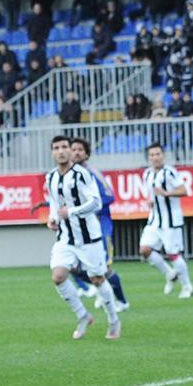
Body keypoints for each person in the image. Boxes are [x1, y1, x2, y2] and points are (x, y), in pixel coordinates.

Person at [44, 135, 121, 340]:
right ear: (52, 152)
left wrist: (71, 212)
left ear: (70, 150)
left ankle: (113, 320)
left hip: (89, 237)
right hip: (65, 238)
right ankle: (83, 316)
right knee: (58, 277)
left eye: (64, 147)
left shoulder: (82, 174)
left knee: (97, 278)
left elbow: (96, 202)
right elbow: (54, 203)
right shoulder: (51, 177)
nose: (61, 151)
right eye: (56, 148)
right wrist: (53, 219)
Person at [71, 137, 129, 311]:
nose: (76, 153)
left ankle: (122, 301)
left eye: (80, 150)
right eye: (73, 150)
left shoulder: (93, 173)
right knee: (73, 266)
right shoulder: (69, 176)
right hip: (80, 228)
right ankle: (99, 290)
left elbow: (109, 196)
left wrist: (89, 207)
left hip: (100, 224)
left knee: (104, 267)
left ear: (86, 154)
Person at [138, 143, 193, 299]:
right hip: (154, 220)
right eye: (152, 155)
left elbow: (184, 191)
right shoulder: (147, 174)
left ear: (163, 155)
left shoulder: (170, 172)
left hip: (171, 221)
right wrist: (150, 201)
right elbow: (151, 194)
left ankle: (187, 287)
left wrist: (166, 193)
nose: (155, 157)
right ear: (148, 158)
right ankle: (169, 273)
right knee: (144, 250)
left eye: (158, 154)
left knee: (172, 254)